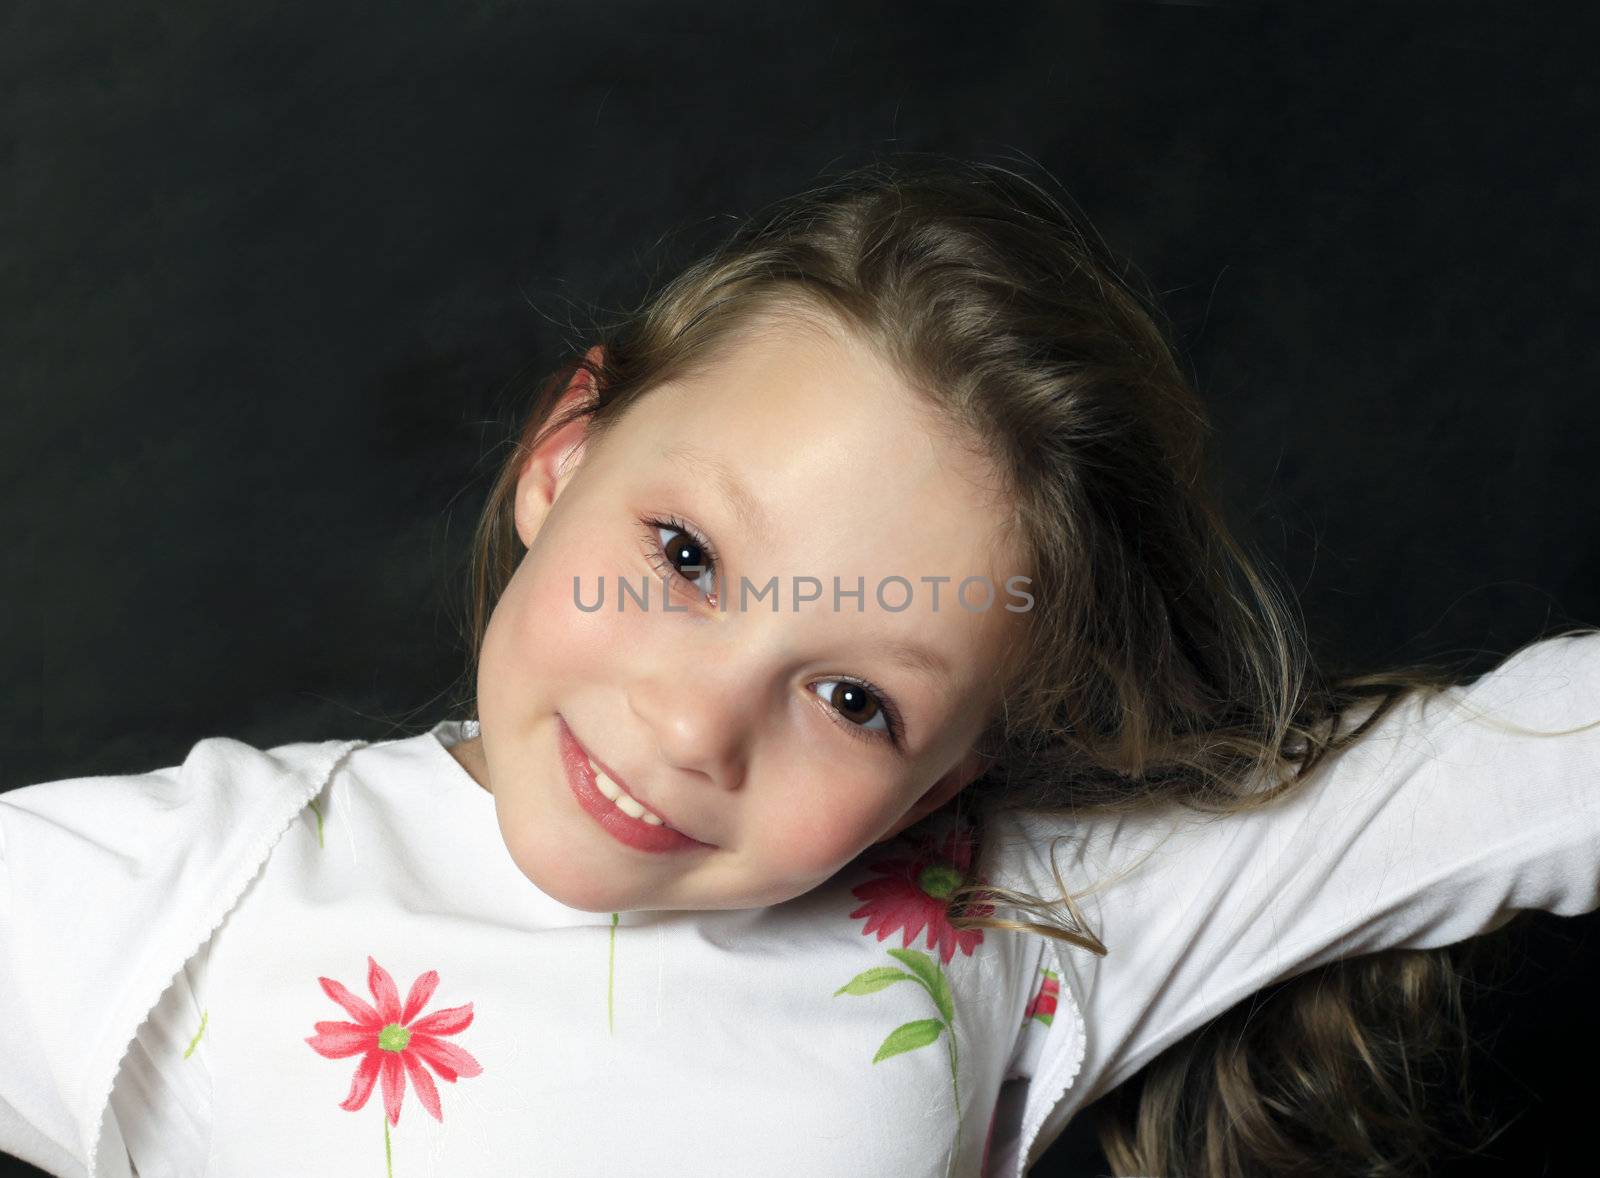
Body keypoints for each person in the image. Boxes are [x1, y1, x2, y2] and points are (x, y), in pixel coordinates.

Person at [3, 155, 1597, 1178]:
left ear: (952, 764)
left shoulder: (998, 919)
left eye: (857, 698)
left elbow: (1525, 770)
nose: (697, 723)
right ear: (566, 454)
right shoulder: (193, 894)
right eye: (686, 556)